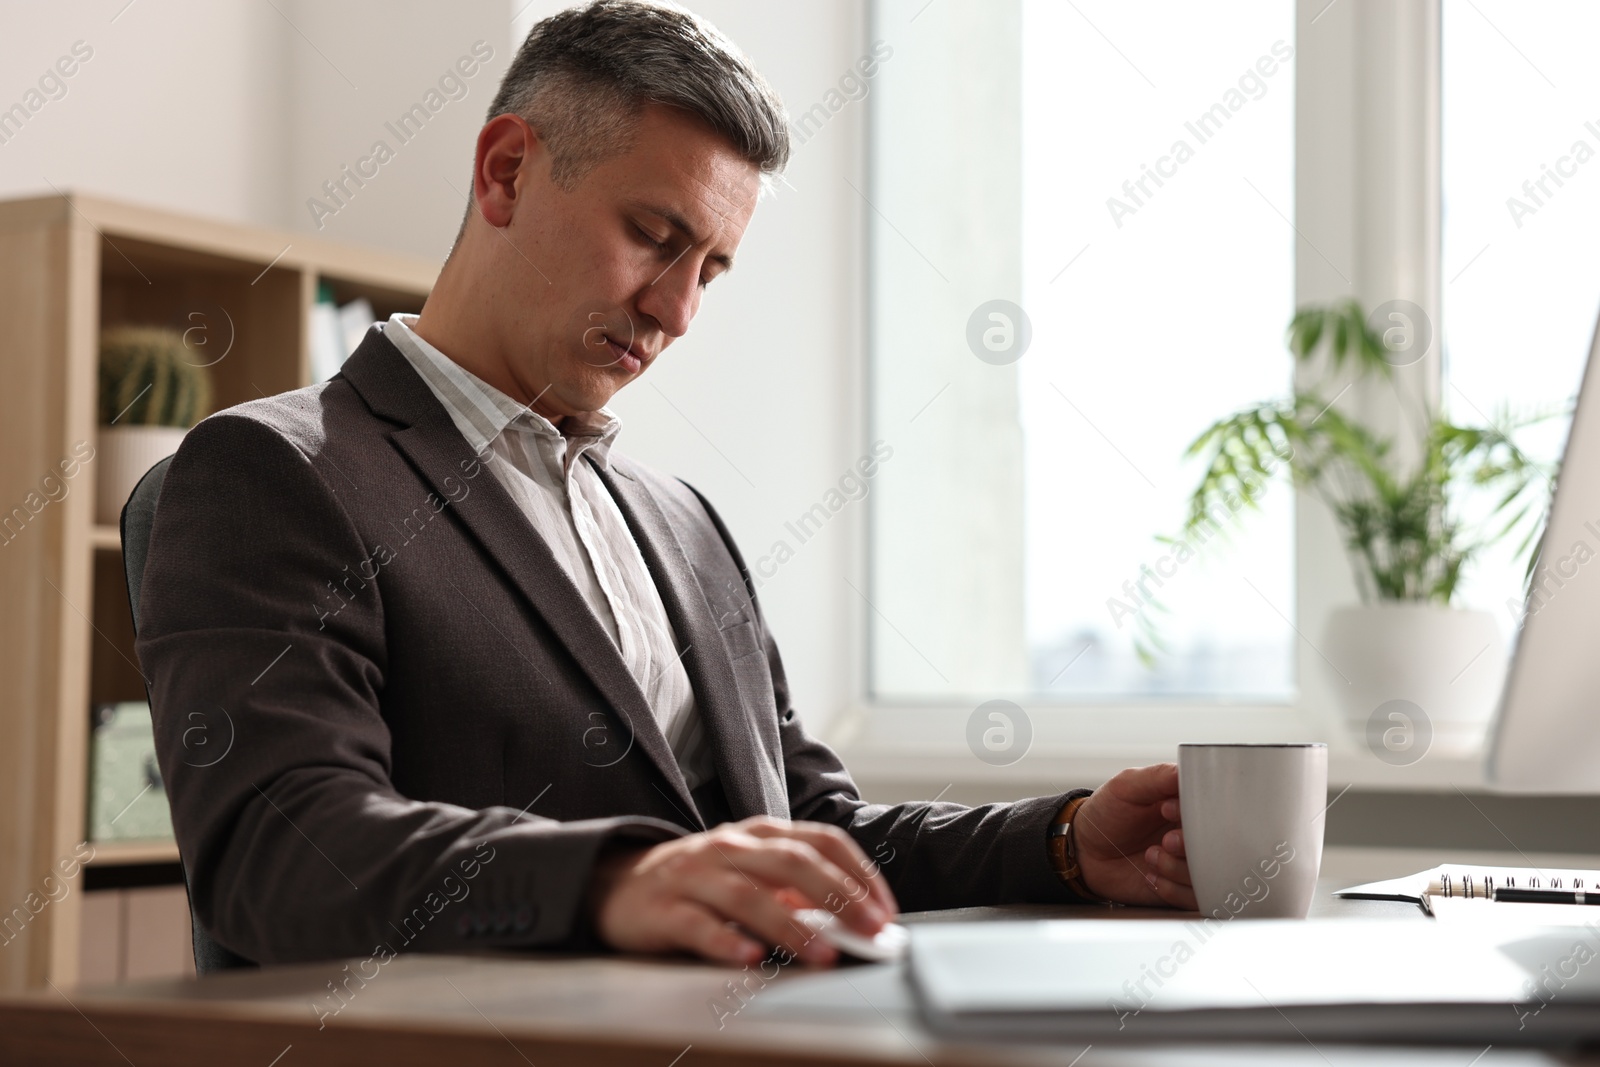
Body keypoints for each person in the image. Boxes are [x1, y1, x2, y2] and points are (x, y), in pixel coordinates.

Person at [136, 0, 1193, 970]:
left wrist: (1060, 841)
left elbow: (812, 834)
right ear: (505, 171)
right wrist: (613, 880)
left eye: (712, 268)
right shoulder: (279, 468)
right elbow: (281, 848)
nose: (677, 310)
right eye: (653, 236)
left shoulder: (681, 523)